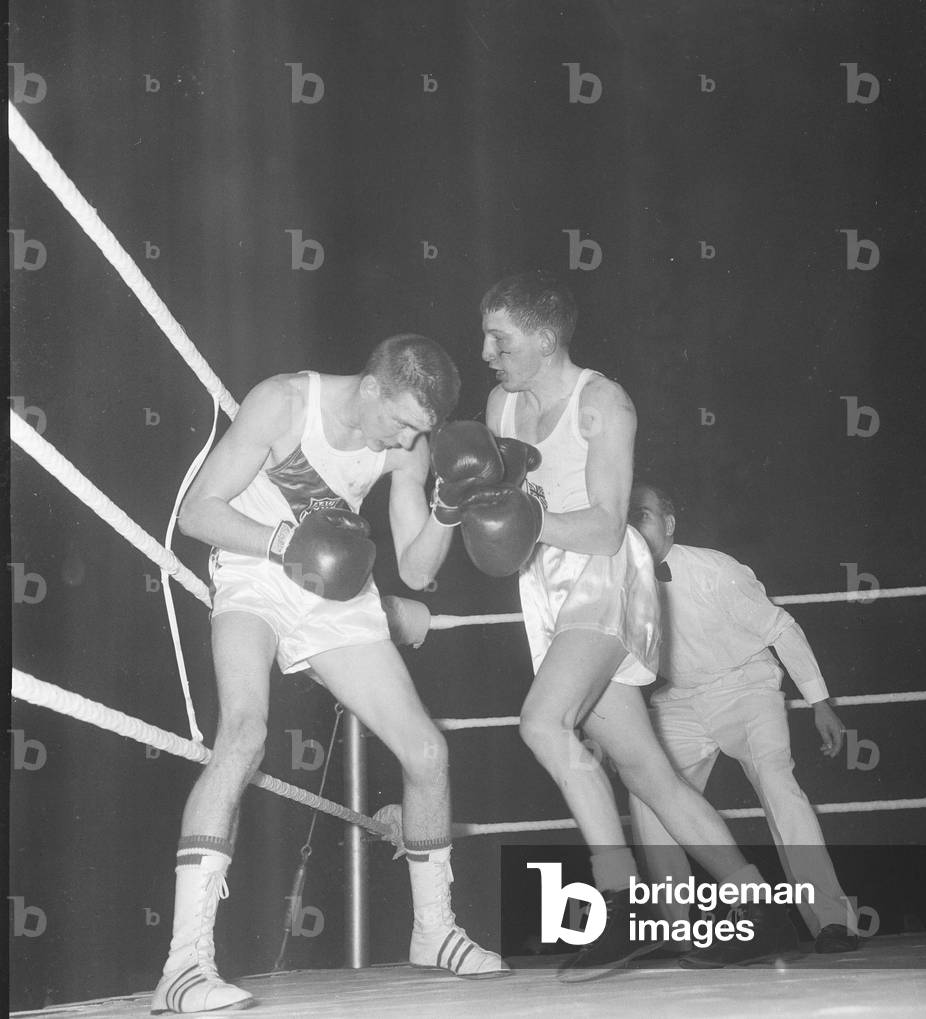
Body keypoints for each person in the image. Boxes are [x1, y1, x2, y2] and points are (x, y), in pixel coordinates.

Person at [152, 335, 508, 1015]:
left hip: (337, 586)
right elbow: (198, 511)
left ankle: (433, 931)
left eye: (421, 430)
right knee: (244, 733)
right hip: (257, 569)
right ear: (371, 387)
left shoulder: (409, 439)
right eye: (402, 421)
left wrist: (446, 508)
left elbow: (415, 569)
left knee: (427, 751)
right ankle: (183, 964)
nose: (407, 439)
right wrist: (286, 541)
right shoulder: (283, 402)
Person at [475, 270, 798, 980]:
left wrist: (520, 521)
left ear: (542, 335)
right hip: (547, 587)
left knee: (541, 722)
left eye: (499, 339)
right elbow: (504, 527)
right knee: (647, 769)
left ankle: (618, 898)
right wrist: (466, 509)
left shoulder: (603, 402)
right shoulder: (500, 406)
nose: (487, 353)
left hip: (604, 576)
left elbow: (600, 525)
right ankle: (756, 903)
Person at [626, 482, 860, 957]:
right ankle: (681, 929)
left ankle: (832, 922)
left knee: (779, 784)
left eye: (643, 515)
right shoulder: (617, 578)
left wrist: (819, 702)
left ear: (669, 524)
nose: (633, 525)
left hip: (747, 688)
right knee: (647, 794)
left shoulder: (717, 570)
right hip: (678, 701)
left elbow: (781, 627)